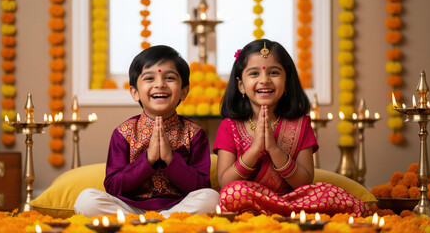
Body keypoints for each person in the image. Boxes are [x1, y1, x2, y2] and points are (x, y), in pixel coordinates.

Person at [213, 39, 371, 217]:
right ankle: (282, 214)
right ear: (241, 84)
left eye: (273, 72)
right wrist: (256, 149)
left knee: (327, 192)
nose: (264, 80)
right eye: (254, 73)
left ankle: (277, 212)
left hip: (293, 200)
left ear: (287, 82)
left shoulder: (301, 124)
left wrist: (273, 149)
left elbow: (304, 183)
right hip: (250, 200)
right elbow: (225, 182)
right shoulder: (229, 126)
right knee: (231, 192)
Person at [75, 45, 219, 217]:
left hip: (178, 207)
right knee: (86, 200)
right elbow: (113, 187)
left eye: (170, 77)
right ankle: (152, 224)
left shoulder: (194, 133)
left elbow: (201, 187)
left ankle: (147, 225)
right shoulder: (123, 132)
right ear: (135, 92)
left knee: (211, 198)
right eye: (149, 78)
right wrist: (148, 160)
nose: (160, 84)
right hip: (130, 208)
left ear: (183, 91)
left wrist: (170, 160)